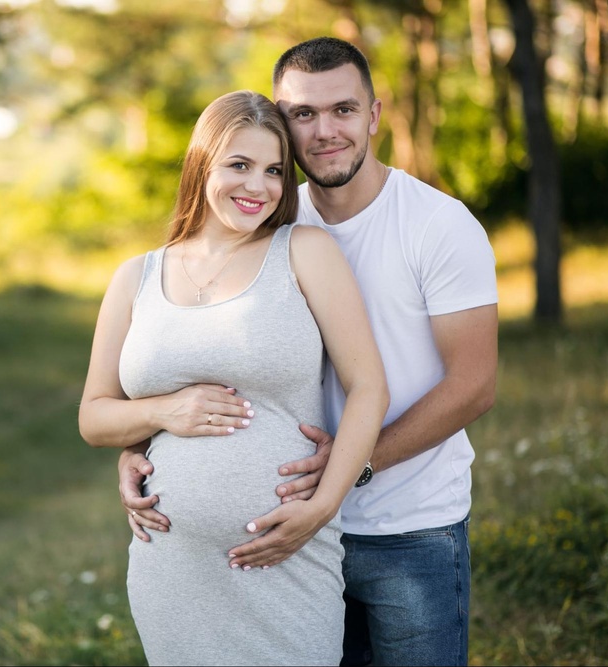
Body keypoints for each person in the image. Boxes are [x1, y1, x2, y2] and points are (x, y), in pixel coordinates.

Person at [118, 38, 499, 666]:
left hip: (406, 527)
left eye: (344, 110)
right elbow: (196, 349)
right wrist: (142, 444)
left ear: (374, 115)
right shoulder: (263, 218)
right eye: (303, 114)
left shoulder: (437, 224)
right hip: (285, 540)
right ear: (280, 123)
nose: (325, 131)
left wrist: (351, 469)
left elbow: (475, 384)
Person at [79, 89, 389, 666]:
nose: (258, 187)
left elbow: (370, 386)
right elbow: (94, 416)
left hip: (288, 560)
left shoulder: (304, 251)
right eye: (239, 165)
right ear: (202, 164)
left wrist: (321, 507)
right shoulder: (135, 277)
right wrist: (161, 412)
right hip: (171, 571)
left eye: (274, 170)